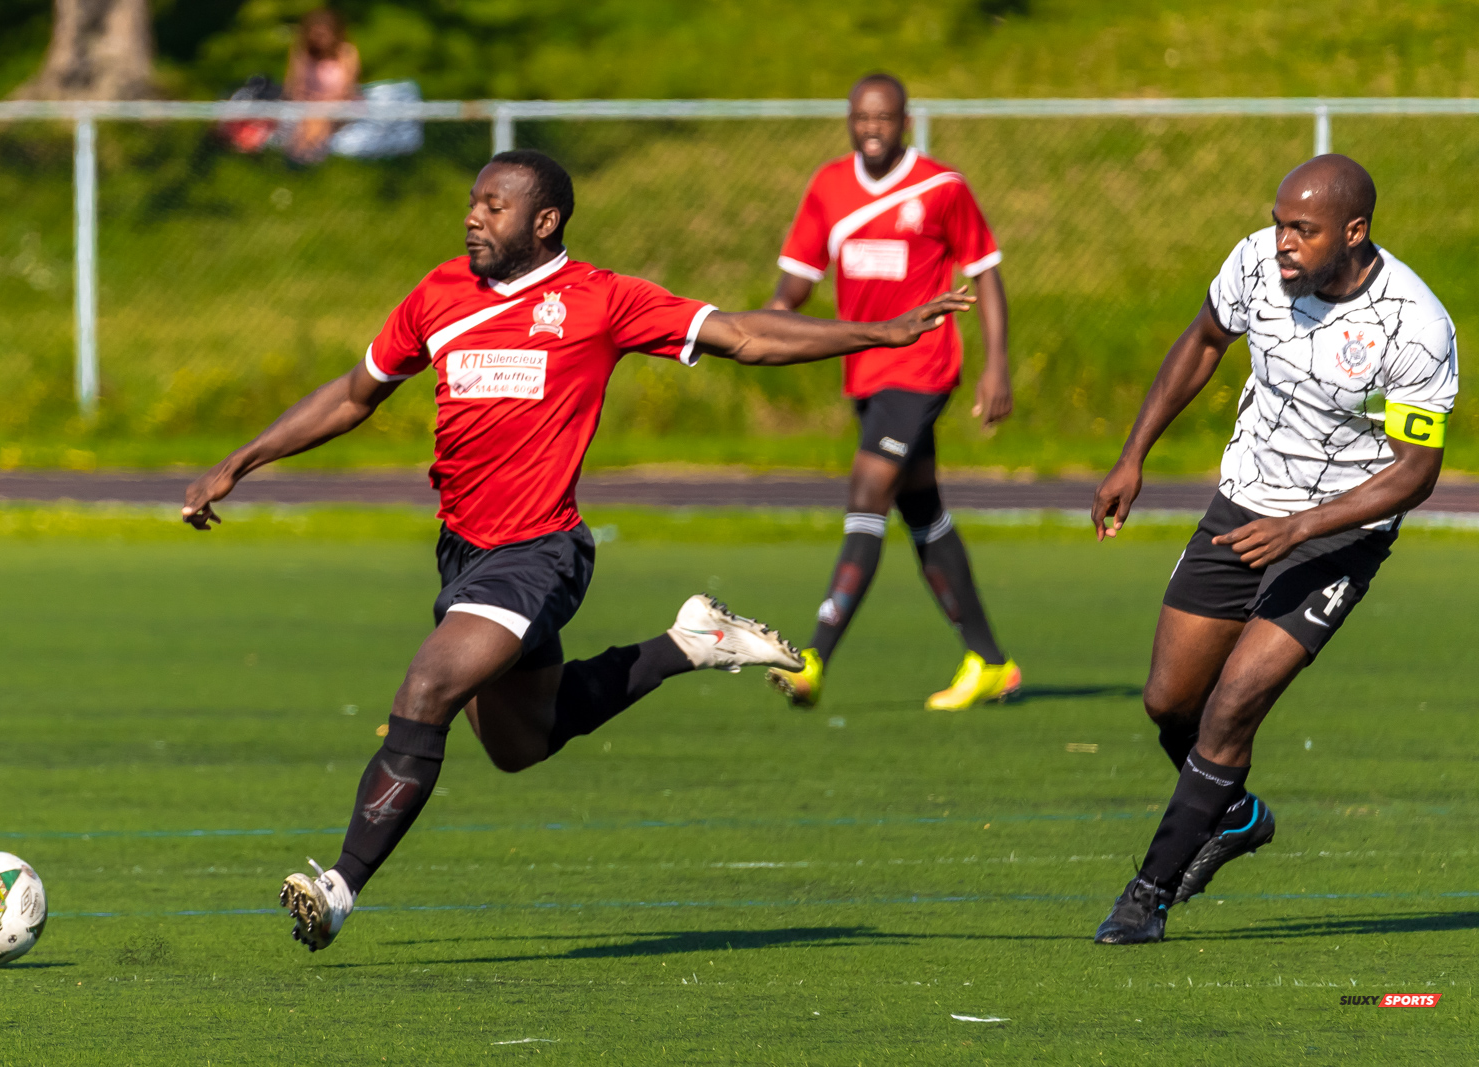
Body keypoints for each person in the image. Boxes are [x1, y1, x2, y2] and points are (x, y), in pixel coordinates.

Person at [181, 149, 975, 952]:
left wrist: (879, 332)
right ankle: (688, 642)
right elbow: (356, 393)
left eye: (494, 207)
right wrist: (238, 461)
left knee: (428, 687)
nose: (473, 218)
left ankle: (339, 886)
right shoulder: (439, 294)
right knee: (520, 745)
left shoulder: (601, 300)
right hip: (462, 552)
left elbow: (744, 334)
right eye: (472, 202)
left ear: (545, 221)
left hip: (540, 552)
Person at [1089, 154, 1457, 944]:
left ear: (1353, 233)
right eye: (1280, 220)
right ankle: (1238, 814)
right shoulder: (1256, 261)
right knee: (1169, 702)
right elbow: (1203, 340)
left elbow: (1416, 471)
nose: (1282, 240)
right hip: (1245, 504)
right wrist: (1133, 453)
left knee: (1232, 707)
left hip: (1339, 534)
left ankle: (1147, 894)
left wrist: (1303, 528)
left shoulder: (1415, 326)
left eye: (1303, 228)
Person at [764, 73, 1019, 713]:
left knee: (867, 490)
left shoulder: (942, 187)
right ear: (849, 121)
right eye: (860, 118)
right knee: (921, 509)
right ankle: (990, 662)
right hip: (865, 371)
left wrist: (998, 367)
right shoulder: (828, 186)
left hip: (923, 364)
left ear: (905, 121)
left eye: (883, 118)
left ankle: (814, 656)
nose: (871, 129)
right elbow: (794, 284)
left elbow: (985, 272)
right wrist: (759, 327)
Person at [281, 8, 359, 164]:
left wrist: (324, 102)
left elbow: (347, 90)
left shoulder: (347, 53)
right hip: (307, 104)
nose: (319, 39)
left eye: (323, 34)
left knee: (318, 117)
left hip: (339, 105)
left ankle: (302, 160)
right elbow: (293, 85)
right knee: (312, 116)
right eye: (315, 34)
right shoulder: (301, 52)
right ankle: (308, 160)